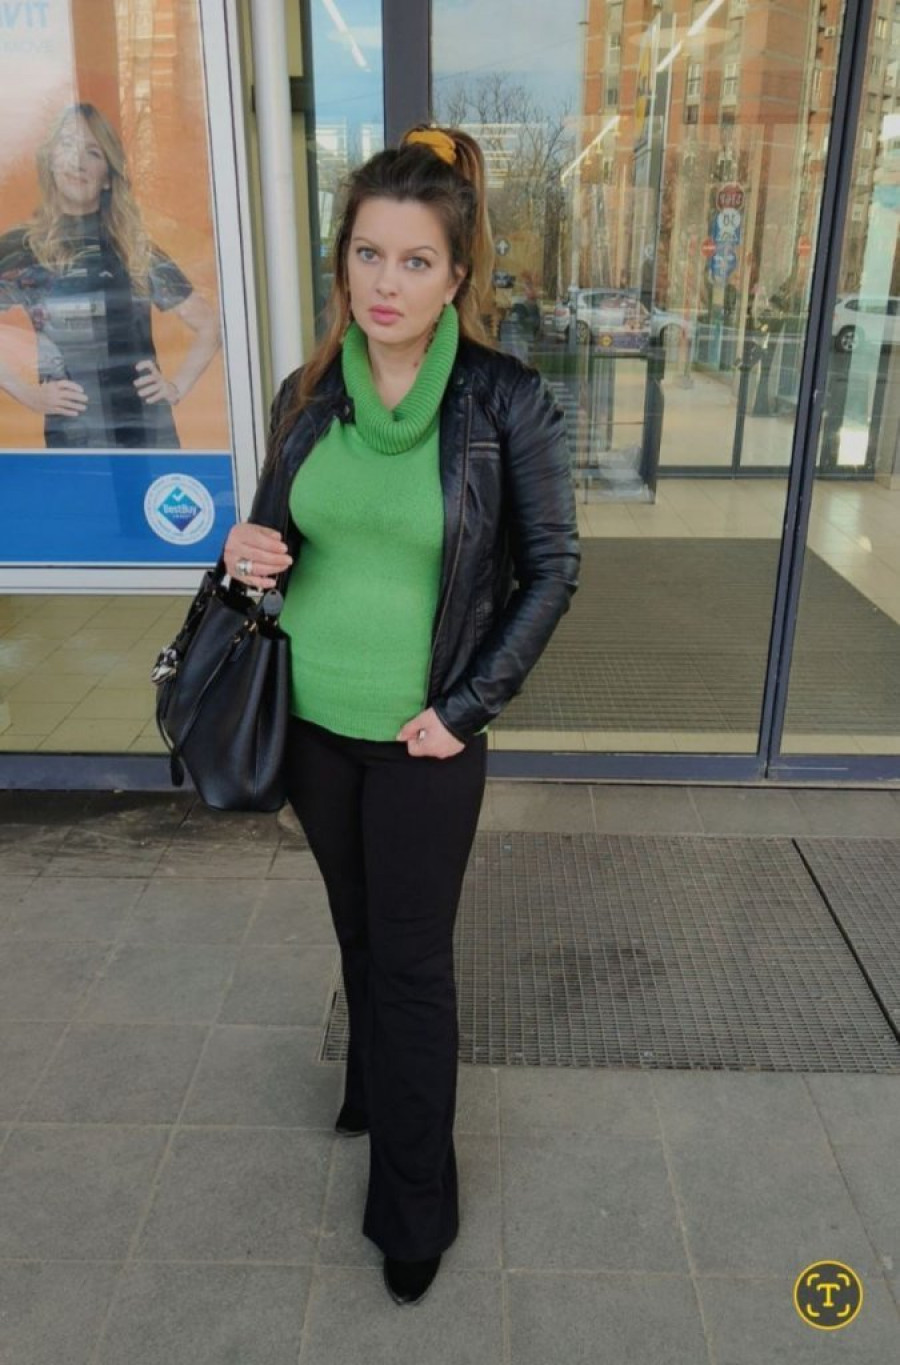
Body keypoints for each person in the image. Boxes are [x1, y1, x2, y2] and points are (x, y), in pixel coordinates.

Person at [224, 124, 580, 1306]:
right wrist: (244, 556)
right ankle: (371, 1086)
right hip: (310, 724)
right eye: (368, 255)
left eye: (416, 260)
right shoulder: (308, 392)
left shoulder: (504, 401)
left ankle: (415, 1202)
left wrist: (466, 710)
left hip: (427, 737)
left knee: (415, 962)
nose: (386, 283)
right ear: (343, 261)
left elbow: (552, 573)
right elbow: (272, 544)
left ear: (457, 274)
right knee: (359, 931)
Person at [0, 102, 221, 448]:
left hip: (149, 434)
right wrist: (28, 394)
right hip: (74, 435)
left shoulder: (133, 247)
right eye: (68, 146)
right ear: (50, 161)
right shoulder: (22, 246)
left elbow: (210, 324)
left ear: (107, 177)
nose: (78, 162)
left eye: (93, 153)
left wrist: (176, 387)